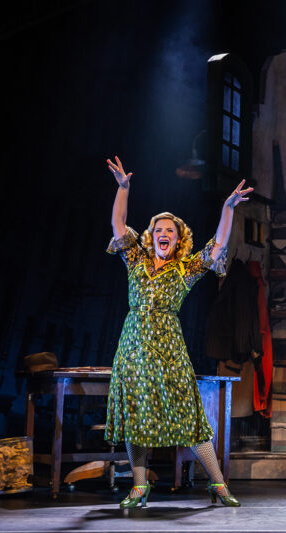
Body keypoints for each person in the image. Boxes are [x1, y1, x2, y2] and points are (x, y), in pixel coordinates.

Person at [104, 156, 252, 509]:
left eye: (170, 230)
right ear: (151, 236)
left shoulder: (185, 270)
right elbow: (118, 224)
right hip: (134, 344)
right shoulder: (135, 261)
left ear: (178, 238)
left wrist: (227, 208)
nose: (164, 234)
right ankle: (140, 486)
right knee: (136, 413)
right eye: (159, 230)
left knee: (189, 412)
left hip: (169, 345)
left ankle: (217, 483)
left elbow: (217, 245)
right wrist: (123, 189)